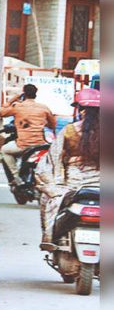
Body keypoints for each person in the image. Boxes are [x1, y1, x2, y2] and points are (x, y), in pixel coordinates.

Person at [35, 88, 100, 248]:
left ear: (80, 109)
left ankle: (50, 239)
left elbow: (52, 160)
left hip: (74, 183)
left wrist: (53, 183)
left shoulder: (69, 131)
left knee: (48, 199)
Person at [0, 84, 56, 184]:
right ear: (35, 94)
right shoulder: (44, 107)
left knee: (4, 150)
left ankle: (16, 177)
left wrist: (11, 100)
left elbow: (1, 113)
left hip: (24, 145)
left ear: (24, 94)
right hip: (40, 144)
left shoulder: (18, 106)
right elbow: (53, 124)